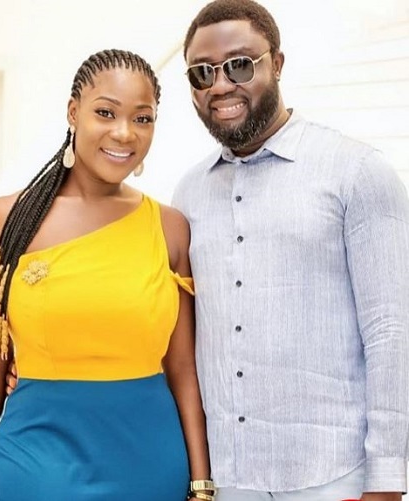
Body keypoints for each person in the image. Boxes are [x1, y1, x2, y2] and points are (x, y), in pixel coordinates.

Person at [171, 1, 409, 500]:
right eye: (202, 73)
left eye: (240, 65)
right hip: (228, 480)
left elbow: (391, 332)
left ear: (276, 64)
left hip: (332, 477)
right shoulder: (189, 193)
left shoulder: (356, 172)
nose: (220, 85)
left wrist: (387, 479)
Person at [0, 48, 215, 501]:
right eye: (105, 112)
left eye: (143, 118)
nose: (124, 132)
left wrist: (201, 484)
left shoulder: (169, 227)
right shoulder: (6, 220)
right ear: (73, 112)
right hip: (36, 470)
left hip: (150, 468)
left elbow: (182, 369)